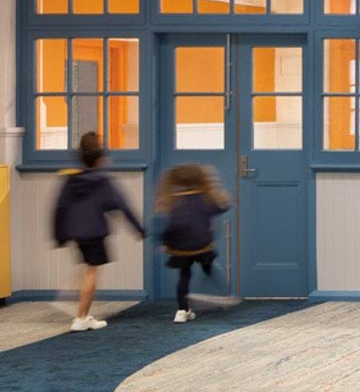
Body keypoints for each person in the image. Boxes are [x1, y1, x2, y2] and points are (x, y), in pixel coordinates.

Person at [51, 132, 144, 332]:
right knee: (92, 272)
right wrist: (139, 229)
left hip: (76, 231)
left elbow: (59, 207)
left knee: (87, 268)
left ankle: (71, 299)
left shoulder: (70, 179)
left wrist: (59, 236)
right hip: (94, 231)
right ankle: (81, 317)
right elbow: (122, 205)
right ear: (100, 157)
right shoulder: (102, 180)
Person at [155, 165, 231, 323]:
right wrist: (216, 188)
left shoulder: (175, 201)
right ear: (199, 180)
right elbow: (221, 207)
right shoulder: (204, 198)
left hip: (182, 248)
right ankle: (225, 294)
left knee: (184, 275)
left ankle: (182, 311)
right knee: (208, 267)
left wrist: (164, 241)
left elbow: (171, 226)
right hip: (202, 244)